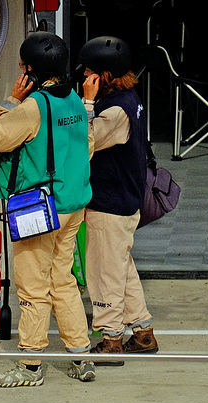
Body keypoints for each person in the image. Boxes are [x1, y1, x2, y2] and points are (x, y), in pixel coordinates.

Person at [0, 32, 96, 388]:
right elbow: (88, 148)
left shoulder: (34, 105)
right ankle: (81, 356)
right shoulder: (77, 102)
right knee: (62, 280)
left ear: (30, 70)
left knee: (32, 287)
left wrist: (10, 100)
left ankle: (31, 363)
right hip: (73, 204)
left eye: (22, 66)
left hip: (40, 209)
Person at [79, 36, 158, 361]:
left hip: (110, 205)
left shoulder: (115, 112)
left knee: (103, 274)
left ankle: (111, 338)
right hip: (124, 202)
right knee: (122, 269)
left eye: (89, 73)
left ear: (103, 77)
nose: (83, 77)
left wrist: (86, 102)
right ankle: (142, 333)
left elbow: (85, 144)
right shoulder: (130, 97)